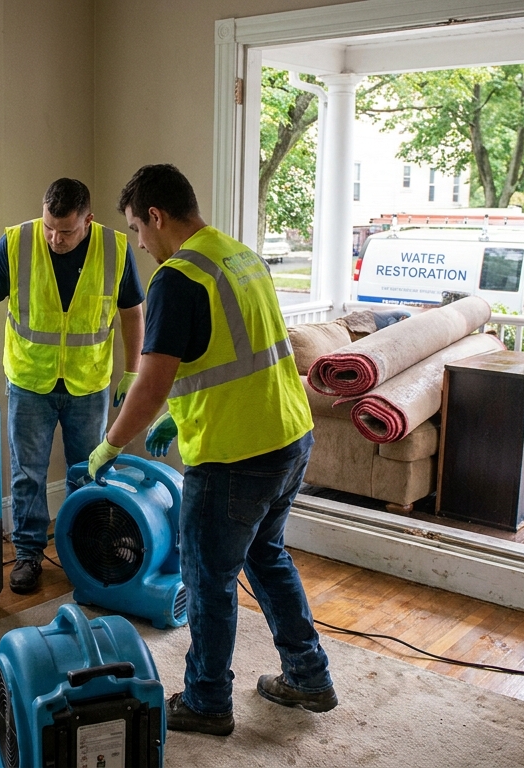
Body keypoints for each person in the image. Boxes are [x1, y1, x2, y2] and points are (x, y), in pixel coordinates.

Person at [87, 164, 337, 736]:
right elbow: (227, 353)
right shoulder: (240, 256)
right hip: (288, 437)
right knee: (266, 556)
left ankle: (205, 700)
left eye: (136, 228)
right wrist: (178, 415)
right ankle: (308, 674)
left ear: (156, 216)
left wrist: (110, 443)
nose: (139, 243)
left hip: (234, 456)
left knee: (207, 579)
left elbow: (150, 384)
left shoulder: (176, 279)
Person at [0, 178, 145, 594]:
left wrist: (133, 371)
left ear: (88, 220)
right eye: (49, 227)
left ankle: (89, 550)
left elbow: (132, 312)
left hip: (88, 383)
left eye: (66, 231)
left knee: (90, 471)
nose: (55, 238)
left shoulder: (114, 248)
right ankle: (28, 554)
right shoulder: (17, 243)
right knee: (27, 474)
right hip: (29, 382)